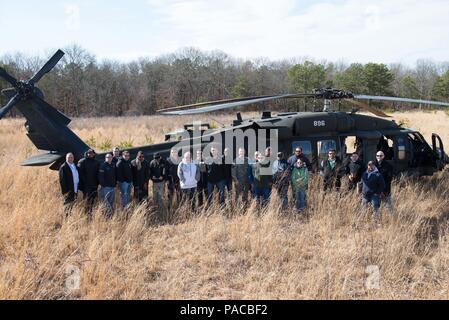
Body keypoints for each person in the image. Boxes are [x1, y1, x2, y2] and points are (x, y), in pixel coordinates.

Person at [77, 149, 100, 215]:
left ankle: (91, 213)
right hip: (86, 186)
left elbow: (98, 174)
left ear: (94, 154)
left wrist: (98, 183)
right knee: (87, 200)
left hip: (94, 185)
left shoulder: (96, 162)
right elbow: (80, 174)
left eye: (92, 153)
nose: (90, 154)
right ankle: (86, 214)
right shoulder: (82, 162)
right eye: (89, 153)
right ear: (87, 154)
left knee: (94, 200)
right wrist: (83, 184)